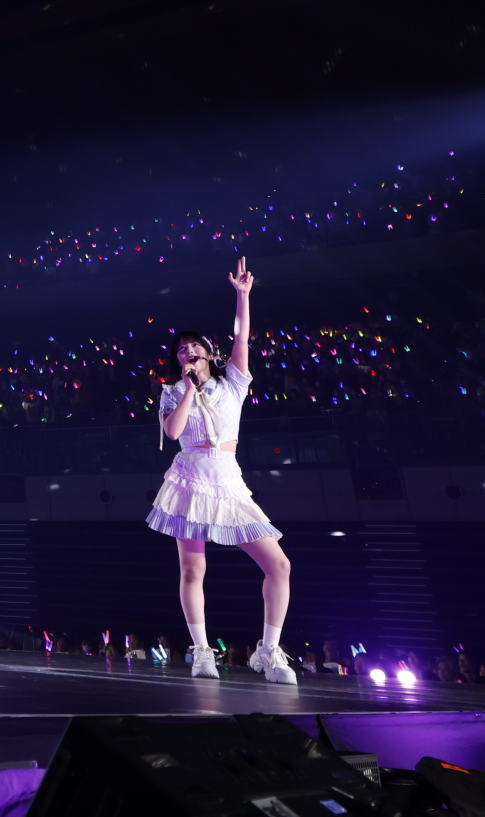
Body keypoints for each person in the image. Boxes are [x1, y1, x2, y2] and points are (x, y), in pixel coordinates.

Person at [148, 257, 296, 684]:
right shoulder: (172, 392)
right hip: (190, 477)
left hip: (228, 478)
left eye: (193, 346)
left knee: (279, 565)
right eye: (181, 349)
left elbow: (241, 336)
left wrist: (243, 295)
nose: (187, 352)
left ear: (208, 352)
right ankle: (201, 651)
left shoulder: (232, 381)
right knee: (193, 569)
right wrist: (187, 390)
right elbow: (173, 432)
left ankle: (268, 651)